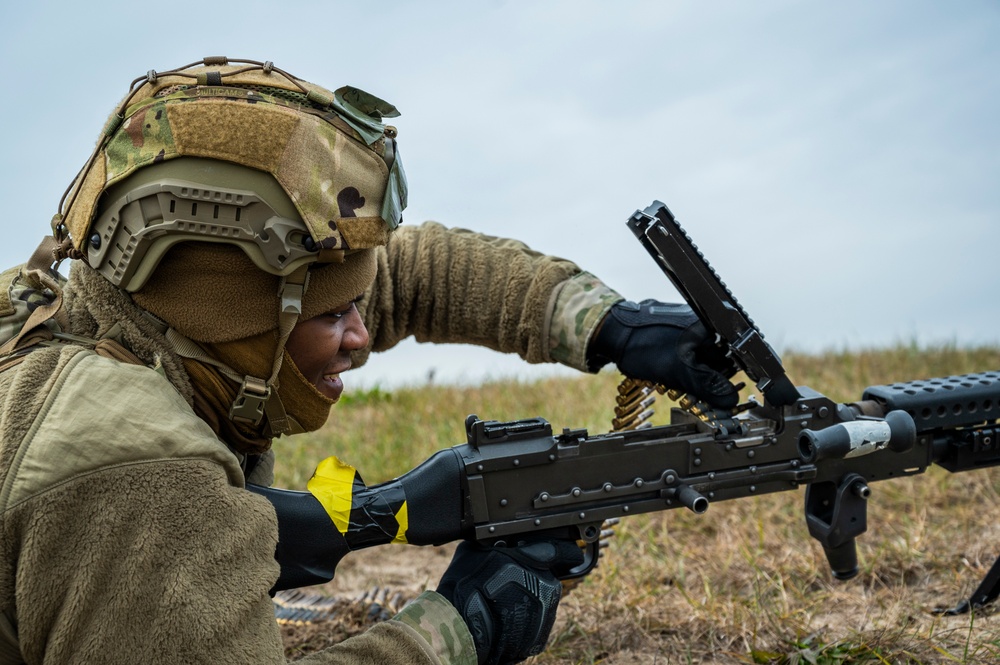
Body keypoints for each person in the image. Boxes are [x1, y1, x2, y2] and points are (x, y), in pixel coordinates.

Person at [0, 58, 737, 665]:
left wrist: (608, 324)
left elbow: (416, 275)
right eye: (331, 314)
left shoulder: (101, 315)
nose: (359, 333)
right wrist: (457, 629)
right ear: (229, 320)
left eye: (353, 303)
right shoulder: (138, 477)